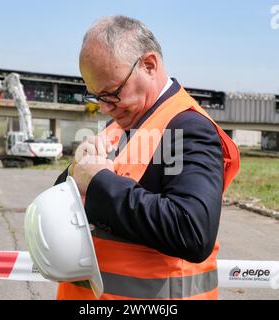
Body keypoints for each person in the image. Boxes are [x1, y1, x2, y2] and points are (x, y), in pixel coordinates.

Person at [54, 15, 240, 300]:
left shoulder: (189, 127)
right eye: (96, 97)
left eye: (112, 93)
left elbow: (192, 230)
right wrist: (76, 170)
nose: (104, 108)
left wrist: (98, 181)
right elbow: (66, 200)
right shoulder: (120, 124)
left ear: (149, 65)